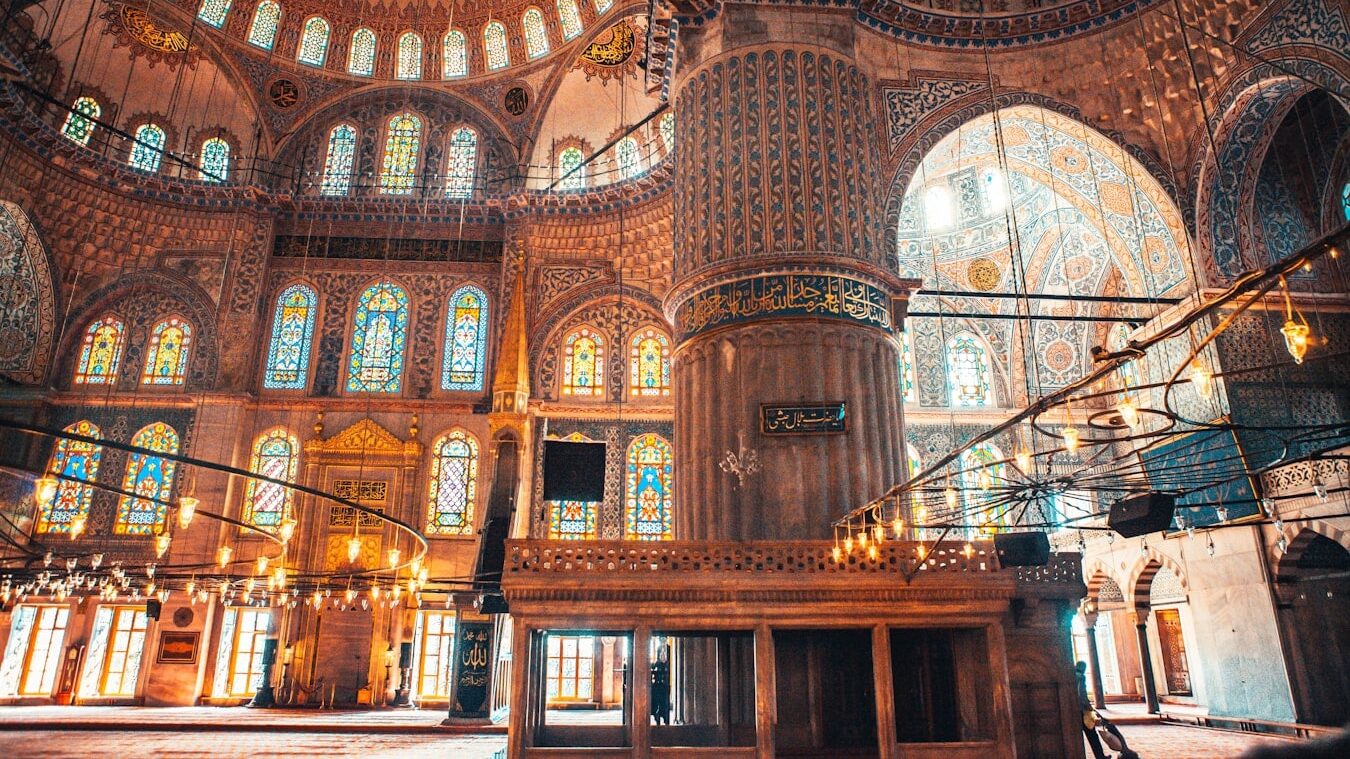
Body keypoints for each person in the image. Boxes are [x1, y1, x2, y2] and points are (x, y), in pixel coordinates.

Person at [1078, 661, 1109, 758]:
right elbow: (1082, 693)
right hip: (1082, 711)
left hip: (1072, 710)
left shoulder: (1070, 676)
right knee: (1092, 735)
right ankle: (1100, 756)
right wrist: (1089, 707)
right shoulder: (1081, 677)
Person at [650, 645, 671, 726]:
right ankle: (657, 716)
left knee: (664, 703)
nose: (662, 655)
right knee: (655, 702)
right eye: (661, 653)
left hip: (664, 687)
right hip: (657, 687)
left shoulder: (667, 664)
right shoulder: (657, 663)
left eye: (664, 653)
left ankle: (663, 717)